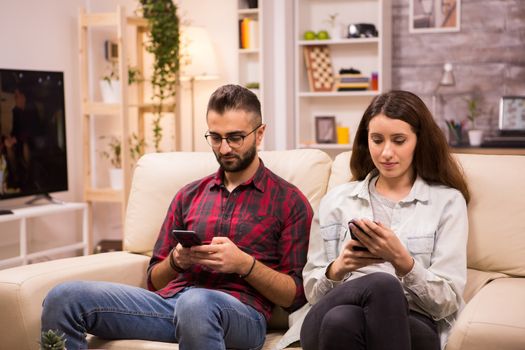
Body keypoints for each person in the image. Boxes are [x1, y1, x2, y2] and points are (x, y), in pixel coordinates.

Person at [41, 84, 313, 349]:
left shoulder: (289, 201)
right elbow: (154, 280)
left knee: (196, 304)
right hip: (170, 305)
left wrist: (244, 264)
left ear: (260, 133)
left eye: (235, 138)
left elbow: (296, 296)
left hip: (241, 314)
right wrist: (176, 260)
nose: (225, 148)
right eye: (216, 138)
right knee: (63, 298)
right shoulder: (189, 195)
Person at [298, 90, 470, 350]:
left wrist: (402, 261)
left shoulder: (447, 202)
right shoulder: (336, 201)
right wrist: (339, 267)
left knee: (343, 320)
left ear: (419, 141)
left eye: (399, 140)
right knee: (369, 292)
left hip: (412, 322)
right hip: (328, 312)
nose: (386, 152)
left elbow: (448, 301)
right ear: (366, 140)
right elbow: (312, 292)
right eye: (377, 140)